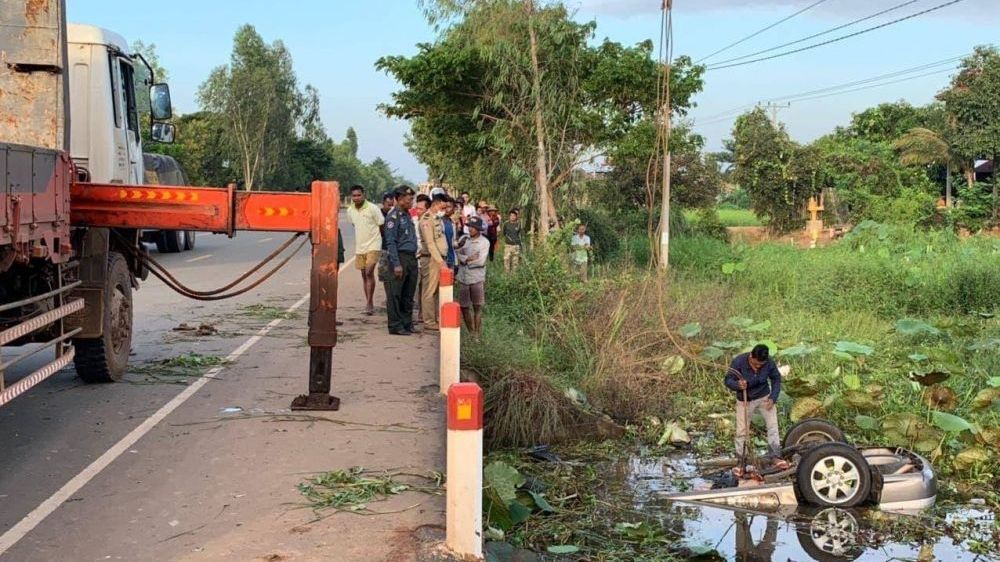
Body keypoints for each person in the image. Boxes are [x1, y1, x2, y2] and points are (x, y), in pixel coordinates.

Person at [724, 344, 788, 469]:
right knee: (742, 431)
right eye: (755, 364)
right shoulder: (738, 361)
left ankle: (775, 456)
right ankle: (741, 461)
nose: (758, 367)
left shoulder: (769, 363)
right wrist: (737, 385)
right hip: (745, 400)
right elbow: (728, 380)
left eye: (761, 365)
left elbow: (776, 379)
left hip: (764, 397)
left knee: (773, 426)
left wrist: (773, 397)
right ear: (751, 356)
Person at [382, 186, 420, 336]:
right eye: (409, 199)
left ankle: (406, 323)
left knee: (408, 293)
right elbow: (390, 242)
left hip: (411, 258)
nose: (412, 201)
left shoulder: (407, 215)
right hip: (399, 257)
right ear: (399, 199)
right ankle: (395, 325)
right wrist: (396, 264)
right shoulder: (393, 217)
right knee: (395, 293)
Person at [346, 185, 385, 315]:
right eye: (354, 196)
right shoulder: (350, 210)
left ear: (364, 195)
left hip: (374, 244)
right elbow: (354, 225)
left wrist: (380, 241)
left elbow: (381, 225)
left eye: (359, 195)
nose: (356, 198)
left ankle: (369, 303)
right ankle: (369, 300)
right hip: (360, 247)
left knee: (369, 272)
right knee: (364, 275)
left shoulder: (373, 208)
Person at [417, 193, 450, 331]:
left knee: (435, 290)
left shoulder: (437, 218)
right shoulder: (426, 220)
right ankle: (429, 321)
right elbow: (430, 244)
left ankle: (434, 317)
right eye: (444, 204)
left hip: (439, 258)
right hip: (432, 260)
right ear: (437, 203)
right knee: (429, 291)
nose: (446, 207)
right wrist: (441, 262)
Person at [457, 216, 490, 339]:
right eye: (469, 226)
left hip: (476, 278)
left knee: (477, 306)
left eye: (474, 227)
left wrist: (465, 261)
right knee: (464, 306)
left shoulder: (484, 242)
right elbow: (457, 254)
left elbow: (481, 261)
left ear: (479, 229)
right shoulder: (464, 239)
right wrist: (468, 258)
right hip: (464, 277)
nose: (471, 229)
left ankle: (477, 334)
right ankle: (471, 332)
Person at [442, 197, 458, 273]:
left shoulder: (452, 223)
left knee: (448, 284)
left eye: (449, 207)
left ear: (454, 209)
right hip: (441, 260)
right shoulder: (438, 221)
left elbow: (452, 242)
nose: (446, 209)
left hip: (450, 258)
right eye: (445, 207)